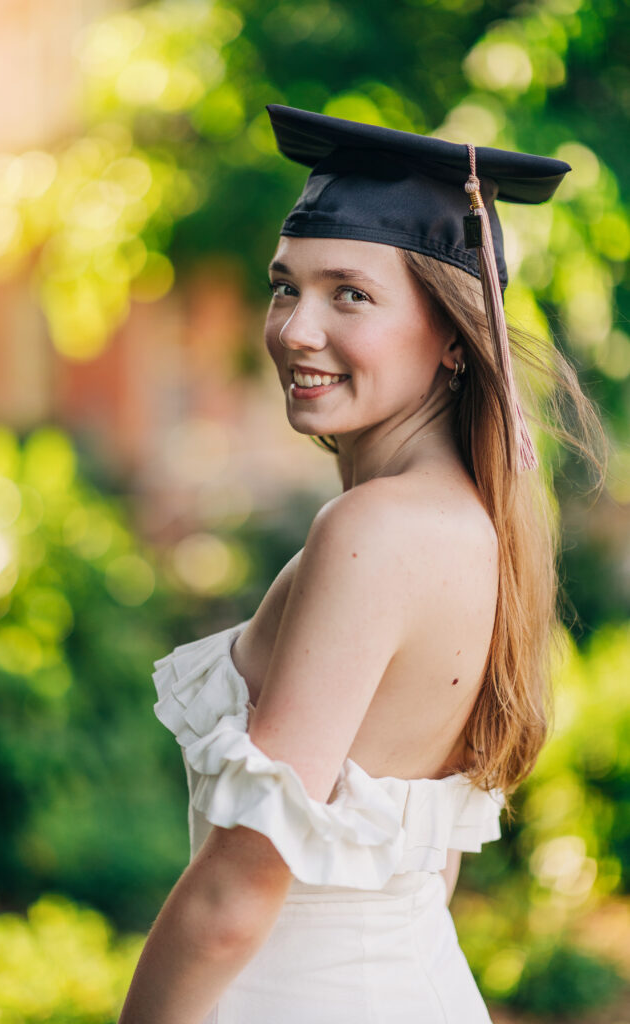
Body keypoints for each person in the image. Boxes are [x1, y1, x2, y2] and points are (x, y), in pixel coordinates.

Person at [118, 105, 606, 1023]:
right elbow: (431, 858)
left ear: (455, 336)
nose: (296, 329)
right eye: (284, 287)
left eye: (350, 293)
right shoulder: (475, 524)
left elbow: (236, 893)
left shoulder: (370, 531)